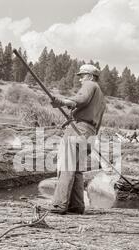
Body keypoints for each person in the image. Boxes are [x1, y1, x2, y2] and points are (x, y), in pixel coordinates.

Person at [47, 64, 107, 215]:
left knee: (66, 166)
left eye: (82, 75)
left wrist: (62, 102)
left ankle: (59, 205)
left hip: (77, 131)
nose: (80, 79)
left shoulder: (90, 85)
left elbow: (81, 99)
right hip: (90, 133)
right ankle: (76, 206)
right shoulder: (102, 98)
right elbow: (97, 121)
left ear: (91, 77)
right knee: (77, 170)